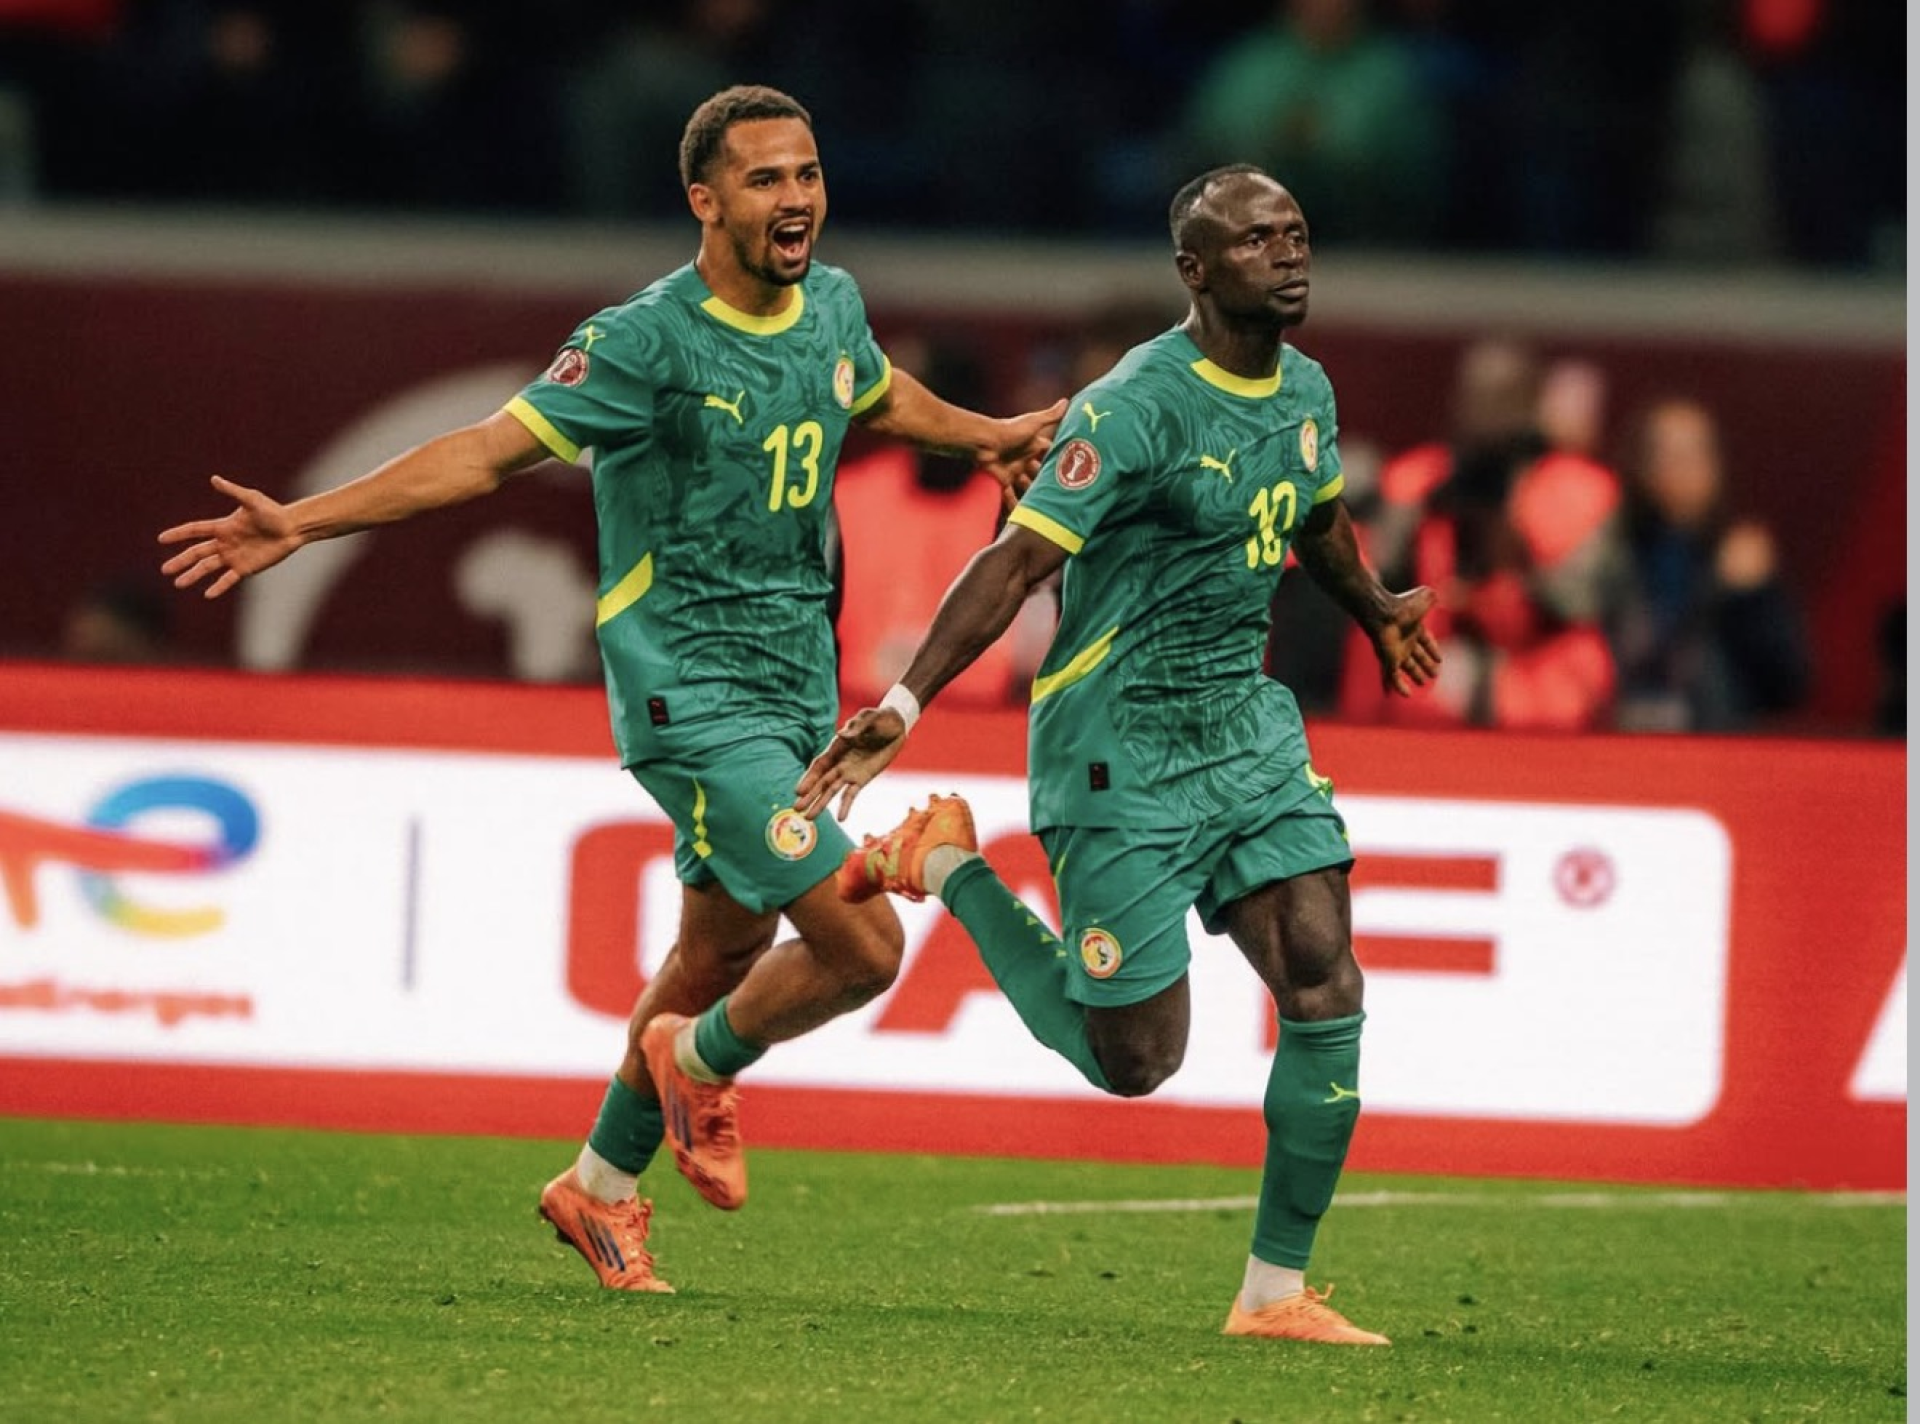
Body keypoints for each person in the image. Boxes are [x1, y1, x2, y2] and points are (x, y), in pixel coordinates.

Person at [158, 84, 1063, 1294]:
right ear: (704, 200)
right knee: (860, 944)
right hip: (691, 693)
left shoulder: (832, 303)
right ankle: (702, 1059)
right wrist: (305, 523)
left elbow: (875, 392)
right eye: (763, 180)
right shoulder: (644, 340)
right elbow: (484, 450)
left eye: (806, 174)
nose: (795, 199)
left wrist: (988, 433)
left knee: (715, 950)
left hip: (797, 680)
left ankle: (598, 1187)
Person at [797, 164, 1439, 1344]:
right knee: (1135, 1058)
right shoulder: (1135, 405)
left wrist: (1376, 605)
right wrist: (905, 698)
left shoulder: (1307, 388)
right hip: (1118, 747)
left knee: (1326, 982)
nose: (1287, 254)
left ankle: (1272, 1292)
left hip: (1244, 729)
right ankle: (949, 864)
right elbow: (1016, 561)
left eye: (1295, 233)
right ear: (1195, 270)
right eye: (1255, 241)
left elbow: (1312, 513)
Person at [1339, 335, 1622, 731]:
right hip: (1430, 664)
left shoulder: (1582, 492)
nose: (1489, 414)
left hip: (1540, 686)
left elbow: (1581, 603)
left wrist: (1518, 549)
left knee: (1580, 655)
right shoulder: (1415, 483)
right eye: (1477, 397)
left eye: (1505, 398)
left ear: (1533, 403)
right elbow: (1377, 584)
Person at [1610, 396, 1810, 731]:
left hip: (1715, 745)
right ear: (1640, 466)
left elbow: (1789, 683)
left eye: (1695, 453)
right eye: (1666, 454)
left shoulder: (1739, 558)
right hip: (1619, 739)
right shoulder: (1613, 554)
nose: (1682, 468)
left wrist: (1751, 598)